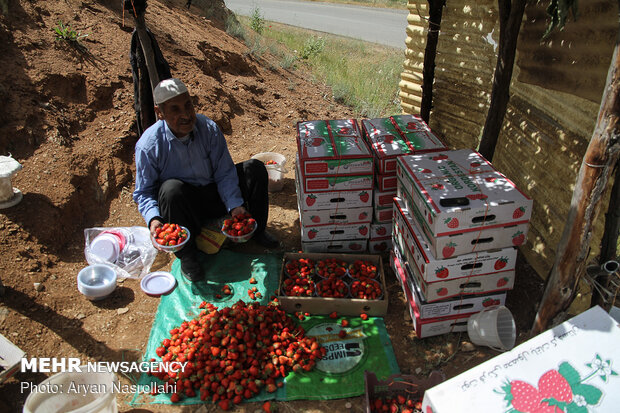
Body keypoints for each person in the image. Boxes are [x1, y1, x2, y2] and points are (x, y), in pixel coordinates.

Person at [133, 78, 279, 281]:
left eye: (188, 105)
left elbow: (224, 172)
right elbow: (144, 192)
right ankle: (188, 257)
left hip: (215, 194)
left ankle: (257, 231)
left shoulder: (208, 128)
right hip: (185, 207)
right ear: (160, 113)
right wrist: (154, 220)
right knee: (170, 190)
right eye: (175, 109)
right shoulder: (149, 146)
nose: (185, 115)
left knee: (254, 169)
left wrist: (235, 205)